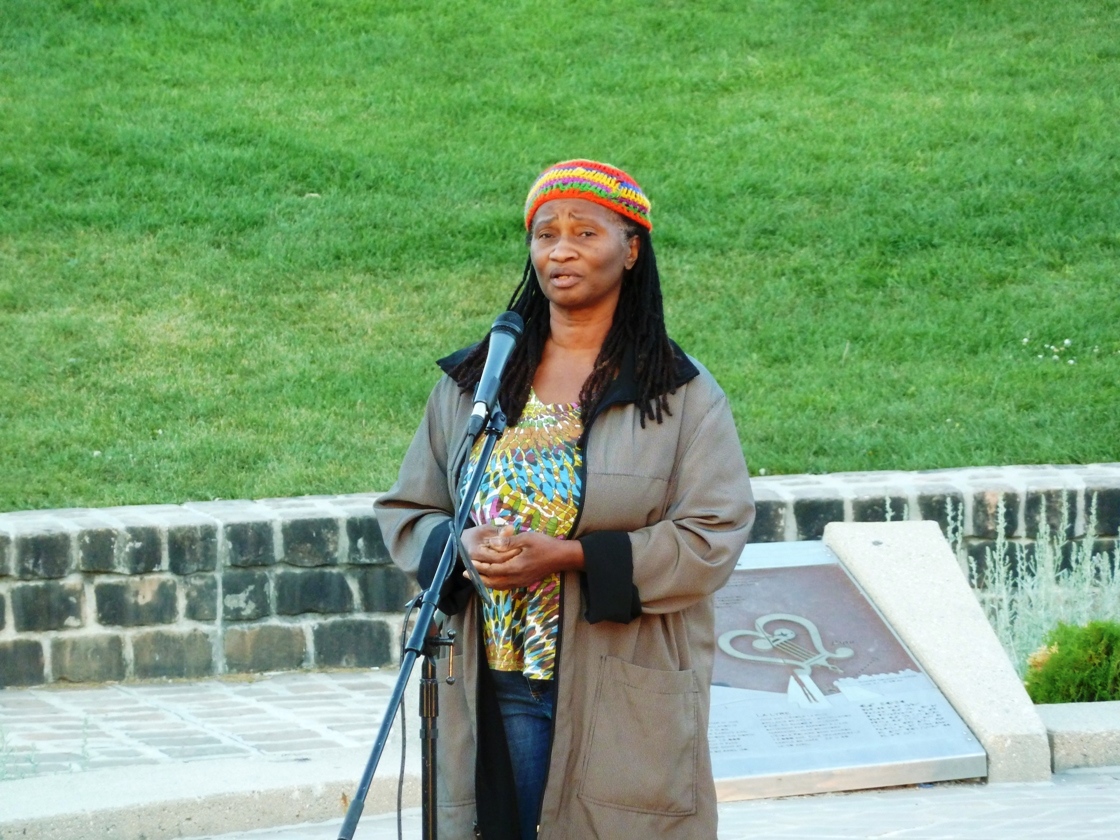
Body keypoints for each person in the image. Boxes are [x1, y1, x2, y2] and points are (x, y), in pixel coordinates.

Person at [375, 159, 754, 839]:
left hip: (617, 680)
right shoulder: (476, 383)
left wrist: (569, 557)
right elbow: (409, 511)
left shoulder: (678, 393)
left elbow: (712, 534)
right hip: (491, 675)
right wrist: (460, 544)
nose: (561, 250)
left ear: (630, 249)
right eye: (545, 233)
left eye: (585, 232)